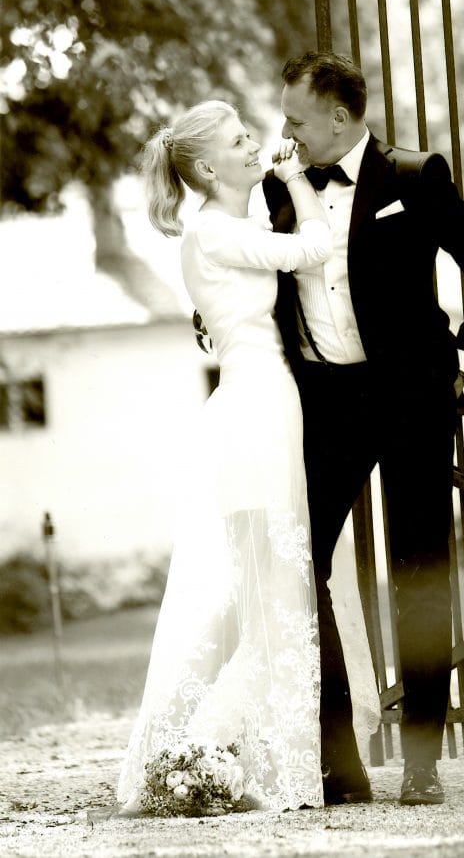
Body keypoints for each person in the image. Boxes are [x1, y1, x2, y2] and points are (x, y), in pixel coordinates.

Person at [262, 52, 464, 806]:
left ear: (339, 117)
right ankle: (339, 762)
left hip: (412, 403)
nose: (287, 133)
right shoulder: (278, 192)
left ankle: (422, 765)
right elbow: (255, 274)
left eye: (297, 120)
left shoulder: (413, 177)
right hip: (327, 405)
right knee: (297, 566)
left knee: (419, 573)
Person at [117, 99, 336, 814]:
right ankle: (194, 750)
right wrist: (298, 179)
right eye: (241, 141)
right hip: (255, 411)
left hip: (268, 403)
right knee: (264, 597)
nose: (255, 145)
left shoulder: (233, 224)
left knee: (264, 595)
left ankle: (202, 751)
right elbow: (313, 248)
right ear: (209, 169)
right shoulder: (212, 230)